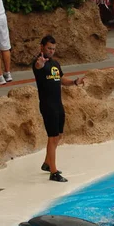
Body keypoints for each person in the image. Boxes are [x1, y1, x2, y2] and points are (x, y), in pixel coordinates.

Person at [32, 35, 85, 183]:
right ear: (41, 47)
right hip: (47, 105)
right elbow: (38, 66)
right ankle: (53, 172)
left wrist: (74, 82)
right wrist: (40, 63)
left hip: (58, 104)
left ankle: (47, 163)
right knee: (52, 136)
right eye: (49, 48)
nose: (51, 51)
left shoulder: (55, 64)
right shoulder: (38, 63)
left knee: (59, 134)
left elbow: (61, 80)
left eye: (53, 49)